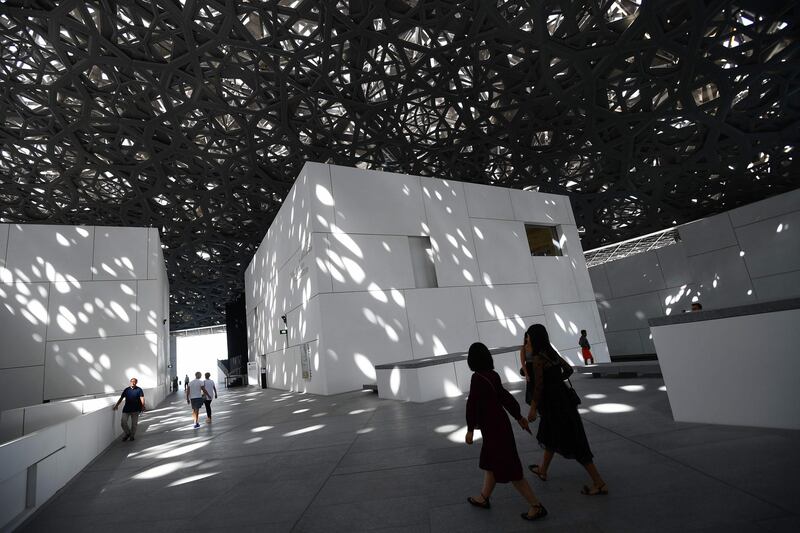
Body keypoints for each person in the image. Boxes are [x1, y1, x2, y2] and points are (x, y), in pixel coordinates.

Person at [465, 342, 548, 522]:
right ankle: (483, 497)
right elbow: (505, 397)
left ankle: (536, 505)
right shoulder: (492, 375)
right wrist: (519, 417)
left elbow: (471, 404)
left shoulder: (477, 378)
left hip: (493, 429)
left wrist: (470, 429)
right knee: (490, 463)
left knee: (509, 468)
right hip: (500, 425)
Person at [525, 324, 608, 495]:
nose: (527, 340)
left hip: (552, 405)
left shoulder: (538, 358)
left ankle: (599, 482)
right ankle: (542, 470)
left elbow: (539, 385)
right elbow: (568, 369)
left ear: (534, 338)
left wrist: (533, 408)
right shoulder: (551, 353)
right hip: (564, 399)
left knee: (573, 440)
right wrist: (556, 382)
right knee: (551, 436)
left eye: (529, 336)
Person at [112, 377, 145, 441]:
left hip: (136, 409)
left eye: (134, 381)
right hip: (126, 409)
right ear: (130, 382)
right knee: (123, 422)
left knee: (134, 424)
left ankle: (132, 436)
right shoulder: (126, 390)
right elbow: (121, 398)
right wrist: (116, 405)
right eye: (132, 381)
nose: (133, 382)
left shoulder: (139, 389)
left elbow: (142, 398)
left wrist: (143, 406)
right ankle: (128, 433)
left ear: (136, 382)